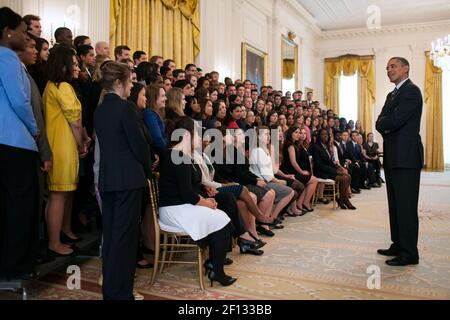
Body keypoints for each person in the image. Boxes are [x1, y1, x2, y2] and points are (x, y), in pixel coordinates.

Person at [94, 62, 152, 300]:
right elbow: (139, 145)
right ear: (118, 83)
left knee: (111, 237)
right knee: (126, 240)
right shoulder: (126, 108)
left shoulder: (99, 110)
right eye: (129, 81)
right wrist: (148, 169)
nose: (131, 86)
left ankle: (111, 290)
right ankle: (121, 293)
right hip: (129, 180)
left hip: (107, 180)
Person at [159, 117, 237, 287]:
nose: (201, 138)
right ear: (187, 135)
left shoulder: (180, 154)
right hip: (173, 210)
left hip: (179, 206)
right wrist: (206, 202)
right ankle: (216, 269)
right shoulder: (179, 156)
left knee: (221, 217)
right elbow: (186, 193)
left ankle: (213, 263)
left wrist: (205, 200)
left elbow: (188, 191)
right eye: (197, 134)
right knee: (221, 220)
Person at [0, 7, 40, 280]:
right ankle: (15, 267)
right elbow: (20, 101)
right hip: (16, 142)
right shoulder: (8, 58)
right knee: (21, 207)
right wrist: (35, 129)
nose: (27, 39)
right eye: (24, 33)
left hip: (5, 143)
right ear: (7, 31)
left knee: (7, 205)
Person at [376, 57, 424, 267]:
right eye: (387, 67)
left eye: (393, 66)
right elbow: (380, 122)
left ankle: (410, 253)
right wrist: (387, 123)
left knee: (406, 206)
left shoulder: (411, 91)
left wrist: (387, 123)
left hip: (406, 157)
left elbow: (394, 120)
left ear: (406, 68)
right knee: (394, 205)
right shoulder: (391, 94)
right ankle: (398, 243)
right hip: (393, 156)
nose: (389, 70)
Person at [43, 45, 91, 256]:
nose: (76, 67)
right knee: (58, 196)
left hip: (61, 143)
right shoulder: (62, 86)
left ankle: (63, 231)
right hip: (62, 145)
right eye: (73, 64)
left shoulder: (52, 86)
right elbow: (75, 121)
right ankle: (54, 242)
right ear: (62, 65)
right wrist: (83, 143)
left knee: (62, 194)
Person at [311, 129, 356, 210]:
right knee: (344, 178)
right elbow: (318, 165)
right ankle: (345, 200)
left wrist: (339, 168)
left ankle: (341, 199)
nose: (325, 136)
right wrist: (336, 171)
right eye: (322, 134)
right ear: (318, 136)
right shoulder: (316, 147)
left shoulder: (326, 146)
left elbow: (330, 162)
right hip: (321, 172)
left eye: (326, 134)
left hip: (328, 170)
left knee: (348, 175)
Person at [281, 127, 318, 212]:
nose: (299, 135)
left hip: (292, 170)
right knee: (313, 180)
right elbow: (293, 162)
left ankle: (301, 203)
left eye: (299, 133)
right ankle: (304, 203)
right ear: (291, 134)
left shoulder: (294, 144)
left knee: (309, 180)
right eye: (296, 132)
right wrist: (301, 172)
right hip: (289, 172)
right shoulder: (290, 145)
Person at [143, 84, 167, 153]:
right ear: (153, 98)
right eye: (162, 96)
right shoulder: (149, 113)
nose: (166, 98)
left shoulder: (155, 113)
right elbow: (158, 139)